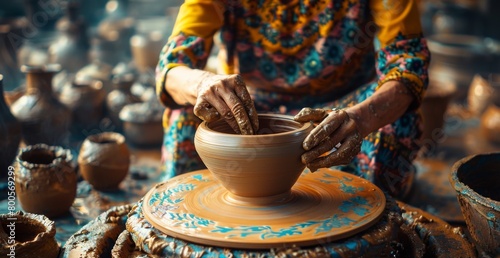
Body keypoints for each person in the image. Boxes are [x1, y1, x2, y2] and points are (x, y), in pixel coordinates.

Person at [156, 0, 429, 199]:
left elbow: (407, 63)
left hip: (340, 110)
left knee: (396, 123)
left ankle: (370, 229)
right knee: (188, 118)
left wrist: (361, 118)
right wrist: (203, 83)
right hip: (247, 110)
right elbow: (172, 69)